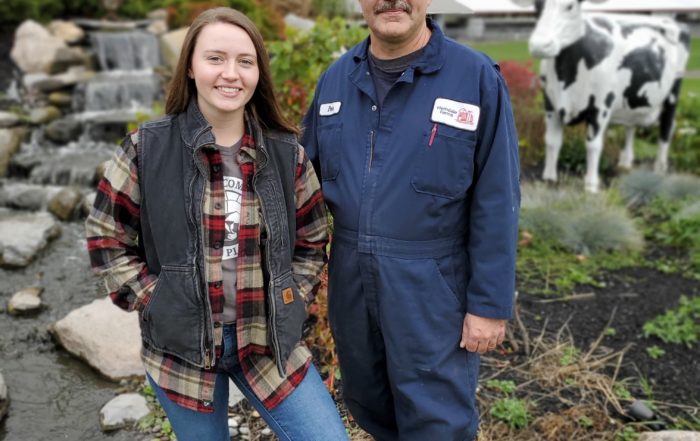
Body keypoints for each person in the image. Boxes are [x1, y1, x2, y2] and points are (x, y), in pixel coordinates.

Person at [85, 7, 348, 441]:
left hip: (267, 342)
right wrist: (157, 298)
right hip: (183, 353)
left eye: (245, 61)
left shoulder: (287, 155)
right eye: (215, 58)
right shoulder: (146, 148)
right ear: (190, 66)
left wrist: (292, 294)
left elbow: (313, 236)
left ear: (258, 73)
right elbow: (105, 236)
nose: (231, 74)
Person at [301, 0, 521, 439]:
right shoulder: (337, 80)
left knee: (437, 420)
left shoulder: (473, 78)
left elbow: (498, 198)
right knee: (369, 403)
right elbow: (300, 188)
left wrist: (489, 305)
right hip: (352, 286)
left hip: (432, 288)